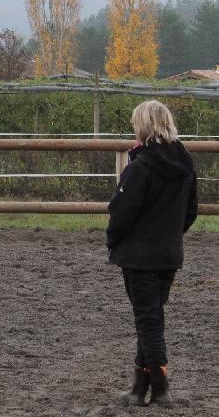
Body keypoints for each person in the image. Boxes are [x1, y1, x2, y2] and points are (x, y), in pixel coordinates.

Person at [107, 100, 197, 408]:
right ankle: (138, 388)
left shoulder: (141, 167)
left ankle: (160, 388)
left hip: (139, 256)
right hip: (169, 254)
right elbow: (191, 211)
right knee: (151, 318)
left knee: (148, 321)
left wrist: (114, 241)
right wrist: (170, 236)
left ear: (144, 126)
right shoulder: (185, 165)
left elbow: (121, 214)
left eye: (135, 124)